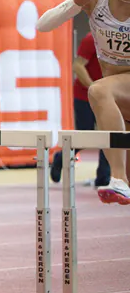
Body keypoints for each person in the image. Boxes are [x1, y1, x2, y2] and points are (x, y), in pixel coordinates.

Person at [35, 0, 130, 205]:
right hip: (122, 101)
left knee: (98, 90)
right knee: (102, 91)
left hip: (114, 88)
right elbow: (43, 26)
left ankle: (118, 178)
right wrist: (76, 2)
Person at [50, 33, 111, 187]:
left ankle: (103, 178)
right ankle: (60, 158)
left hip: (109, 96)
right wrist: (94, 88)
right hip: (85, 96)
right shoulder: (92, 39)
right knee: (85, 136)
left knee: (109, 135)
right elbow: (77, 65)